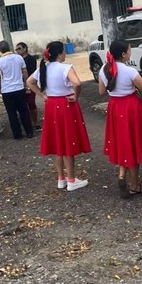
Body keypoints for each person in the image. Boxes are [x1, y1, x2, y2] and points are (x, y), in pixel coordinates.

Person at [99, 39, 142, 197]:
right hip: (130, 108)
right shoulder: (130, 72)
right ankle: (134, 185)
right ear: (123, 54)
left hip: (115, 107)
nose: (131, 51)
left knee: (123, 144)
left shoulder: (104, 69)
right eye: (129, 49)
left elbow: (102, 92)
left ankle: (125, 177)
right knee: (133, 145)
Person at [27, 41, 91, 191]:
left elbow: (29, 82)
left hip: (52, 105)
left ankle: (61, 178)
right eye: (64, 51)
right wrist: (76, 96)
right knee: (68, 141)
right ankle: (71, 179)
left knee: (57, 142)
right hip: (66, 104)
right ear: (60, 54)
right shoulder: (65, 68)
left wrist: (42, 95)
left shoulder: (44, 68)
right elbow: (77, 83)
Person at [0, 40, 33, 140]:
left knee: (12, 113)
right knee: (24, 111)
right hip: (19, 87)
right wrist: (26, 83)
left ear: (0, 49)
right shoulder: (18, 57)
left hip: (7, 89)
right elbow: (24, 71)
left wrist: (0, 88)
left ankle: (17, 134)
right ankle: (29, 132)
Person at [16, 41, 41, 129]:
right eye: (16, 49)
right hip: (20, 84)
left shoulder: (31, 59)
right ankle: (28, 122)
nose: (18, 51)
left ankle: (35, 122)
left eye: (19, 48)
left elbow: (32, 72)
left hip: (30, 83)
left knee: (31, 103)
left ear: (25, 48)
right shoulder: (17, 60)